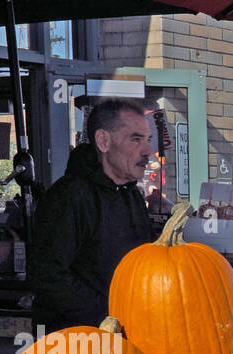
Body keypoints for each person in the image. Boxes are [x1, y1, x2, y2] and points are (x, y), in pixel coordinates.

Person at [29, 100, 155, 332]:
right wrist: (108, 315)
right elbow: (48, 275)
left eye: (148, 140)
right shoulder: (68, 197)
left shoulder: (132, 195)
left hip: (125, 337)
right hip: (74, 345)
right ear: (104, 141)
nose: (147, 151)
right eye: (136, 139)